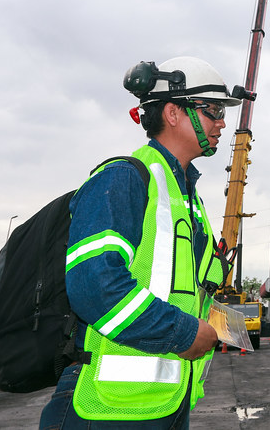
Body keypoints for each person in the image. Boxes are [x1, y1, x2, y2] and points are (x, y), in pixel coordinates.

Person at [40, 56, 245, 429]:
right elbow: (95, 286)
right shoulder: (124, 179)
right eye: (212, 109)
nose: (222, 122)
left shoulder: (188, 199)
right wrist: (183, 332)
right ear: (172, 113)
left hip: (164, 404)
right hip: (105, 408)